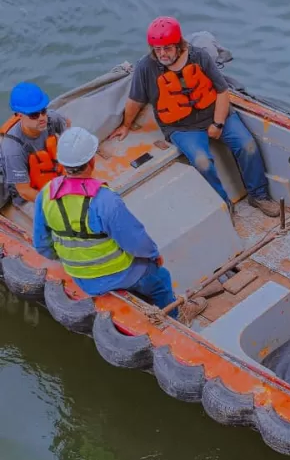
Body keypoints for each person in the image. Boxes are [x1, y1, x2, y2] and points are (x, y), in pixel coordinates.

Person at [109, 16, 280, 218]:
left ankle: (258, 195)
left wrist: (218, 123)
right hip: (181, 127)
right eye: (157, 49)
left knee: (247, 145)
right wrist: (125, 125)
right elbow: (135, 100)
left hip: (215, 113)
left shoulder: (199, 57)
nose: (162, 54)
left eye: (167, 48)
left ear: (179, 45)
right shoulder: (146, 68)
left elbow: (222, 92)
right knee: (202, 162)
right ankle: (224, 205)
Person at [32, 126, 205, 321]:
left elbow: (42, 244)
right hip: (117, 274)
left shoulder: (46, 194)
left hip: (82, 278)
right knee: (160, 278)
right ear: (91, 161)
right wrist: (154, 255)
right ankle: (175, 316)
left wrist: (71, 260)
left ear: (62, 163)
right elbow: (136, 241)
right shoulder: (104, 200)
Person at [0, 82, 68, 205]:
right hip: (28, 194)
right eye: (34, 115)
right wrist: (53, 205)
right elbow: (24, 190)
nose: (42, 118)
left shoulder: (52, 119)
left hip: (52, 174)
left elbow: (68, 130)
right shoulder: (13, 148)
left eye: (43, 111)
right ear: (19, 115)